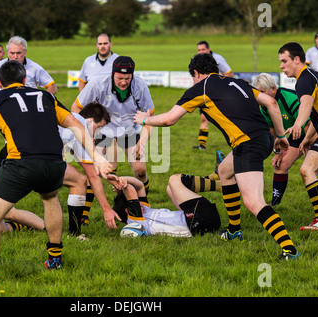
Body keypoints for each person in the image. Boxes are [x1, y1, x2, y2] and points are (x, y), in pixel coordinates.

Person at [134, 53, 300, 260]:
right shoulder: (237, 82)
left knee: (254, 202)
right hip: (264, 139)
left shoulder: (200, 88)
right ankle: (233, 231)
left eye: (192, 77)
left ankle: (290, 250)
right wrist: (281, 136)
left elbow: (169, 120)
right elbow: (271, 103)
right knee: (224, 171)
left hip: (247, 144)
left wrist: (144, 120)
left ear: (195, 73)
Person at [0, 60, 112, 285]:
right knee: (50, 197)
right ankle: (54, 259)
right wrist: (98, 157)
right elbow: (76, 125)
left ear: (0, 83)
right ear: (25, 80)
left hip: (20, 162)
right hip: (54, 162)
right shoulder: (46, 96)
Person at [279, 42, 318, 231]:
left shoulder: (304, 78)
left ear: (297, 59)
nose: (281, 66)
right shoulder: (312, 76)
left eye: (284, 61)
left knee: (307, 170)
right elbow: (317, 114)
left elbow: (306, 104)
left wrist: (297, 124)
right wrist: (307, 139)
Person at [71, 56, 154, 196]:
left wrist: (142, 142)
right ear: (112, 74)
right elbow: (75, 109)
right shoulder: (97, 83)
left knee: (141, 170)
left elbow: (150, 119)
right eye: (119, 78)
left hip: (129, 130)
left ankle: (144, 205)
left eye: (127, 78)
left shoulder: (140, 86)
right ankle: (83, 217)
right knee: (94, 171)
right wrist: (86, 134)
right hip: (103, 131)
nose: (123, 82)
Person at [253, 73, 318, 208]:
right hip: (295, 135)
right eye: (258, 93)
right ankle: (275, 203)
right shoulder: (264, 105)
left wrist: (312, 147)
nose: (260, 96)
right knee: (280, 165)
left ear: (273, 89)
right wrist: (277, 151)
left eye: (262, 92)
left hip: (313, 131)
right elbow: (272, 129)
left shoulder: (289, 98)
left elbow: (309, 124)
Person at [59, 102, 122, 236]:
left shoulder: (69, 118)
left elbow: (83, 161)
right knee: (80, 181)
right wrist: (106, 210)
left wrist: (106, 174)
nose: (97, 133)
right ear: (90, 120)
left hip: (14, 154)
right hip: (38, 160)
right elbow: (92, 176)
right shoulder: (80, 126)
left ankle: (46, 228)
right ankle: (75, 234)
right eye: (99, 128)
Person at [113, 175, 220, 238]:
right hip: (200, 222)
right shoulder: (136, 220)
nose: (140, 203)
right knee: (174, 180)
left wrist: (121, 178)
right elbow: (130, 190)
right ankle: (219, 184)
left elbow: (140, 186)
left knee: (170, 188)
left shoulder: (144, 210)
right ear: (128, 210)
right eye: (136, 202)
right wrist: (121, 185)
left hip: (200, 220)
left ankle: (214, 178)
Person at [193, 41, 234, 150]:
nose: (201, 52)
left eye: (203, 49)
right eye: (199, 50)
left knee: (224, 119)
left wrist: (218, 84)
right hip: (204, 93)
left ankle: (236, 139)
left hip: (218, 93)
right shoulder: (197, 60)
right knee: (203, 118)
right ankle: (202, 145)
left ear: (208, 49)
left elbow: (229, 73)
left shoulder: (218, 59)